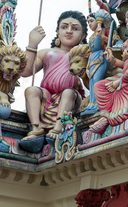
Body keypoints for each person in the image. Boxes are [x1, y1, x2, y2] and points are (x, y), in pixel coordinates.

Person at [21, 11, 88, 144]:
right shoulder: (47, 52)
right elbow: (26, 71)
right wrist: (32, 45)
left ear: (83, 36)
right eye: (64, 27)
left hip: (71, 98)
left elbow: (91, 80)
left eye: (75, 28)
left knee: (68, 92)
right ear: (57, 31)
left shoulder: (84, 54)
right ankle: (36, 129)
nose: (69, 31)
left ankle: (58, 128)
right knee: (31, 90)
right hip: (47, 96)